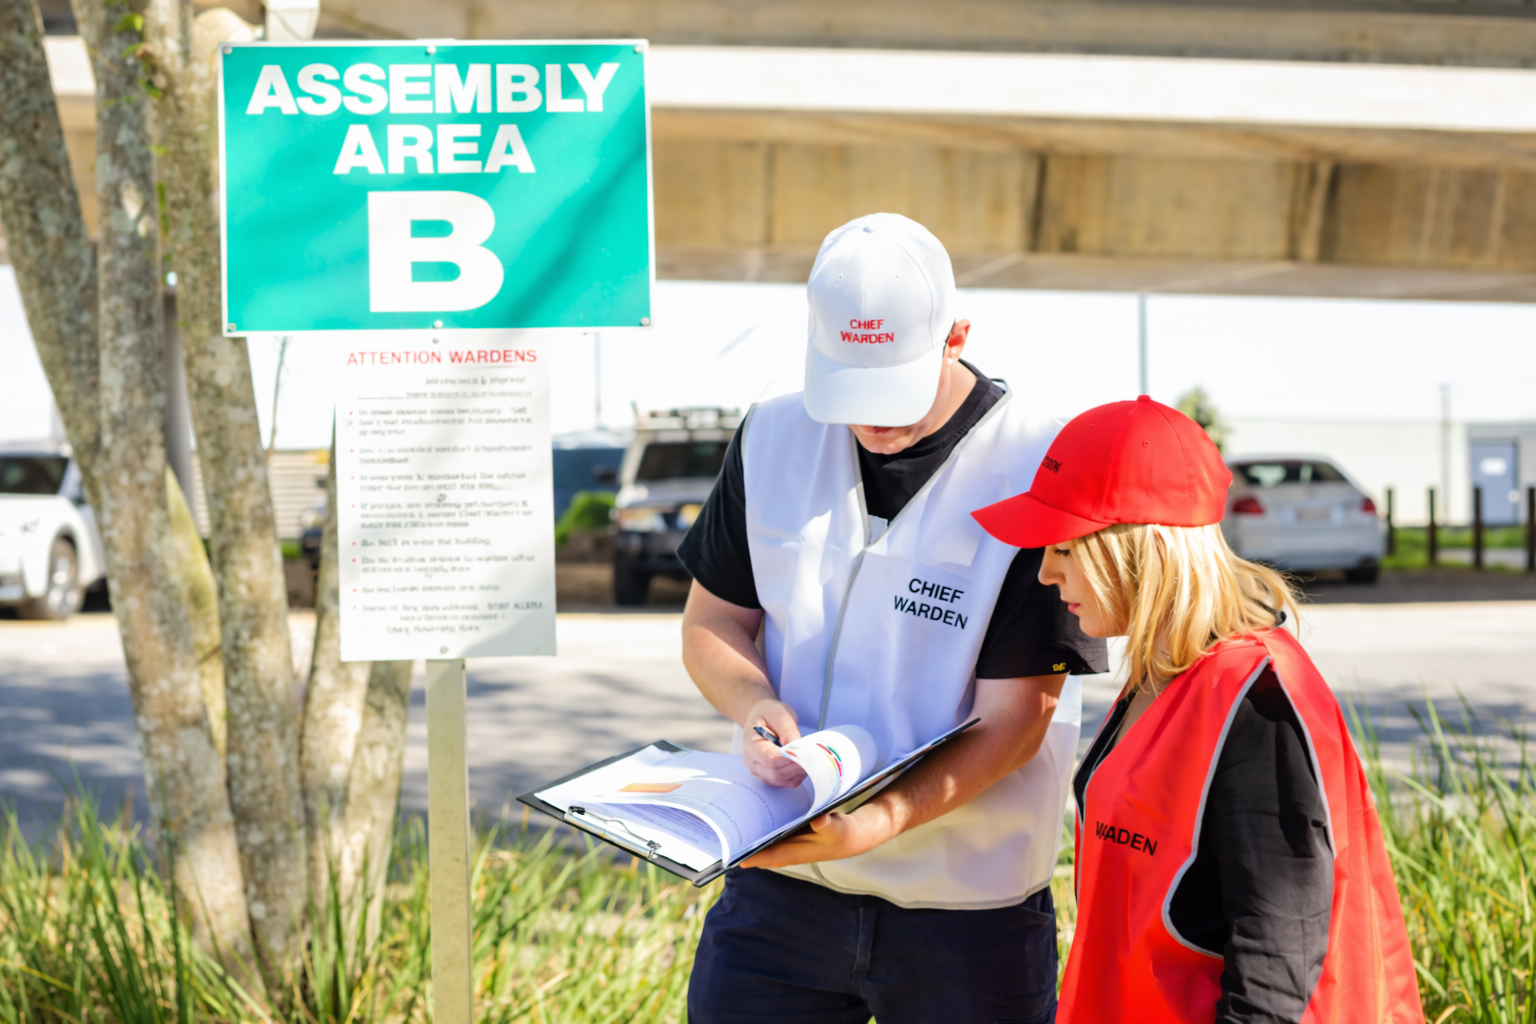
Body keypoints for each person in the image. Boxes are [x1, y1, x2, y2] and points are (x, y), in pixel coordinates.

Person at [676, 212, 1106, 1024]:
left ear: (957, 335)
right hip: (780, 895)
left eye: (894, 387)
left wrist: (876, 824)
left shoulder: (1039, 460)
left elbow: (1017, 719)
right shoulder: (773, 434)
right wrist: (752, 704)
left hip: (966, 916)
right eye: (851, 389)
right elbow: (712, 627)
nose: (875, 421)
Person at [971, 395, 1424, 1024]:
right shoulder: (1167, 671)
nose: (1044, 573)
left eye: (1065, 549)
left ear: (1143, 548)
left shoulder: (1255, 704)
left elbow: (1275, 963)